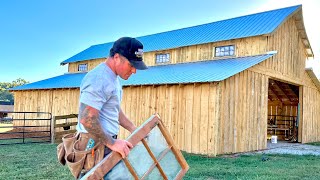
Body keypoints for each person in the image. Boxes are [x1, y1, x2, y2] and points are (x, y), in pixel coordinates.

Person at [75, 37, 148, 178]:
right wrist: (113, 143)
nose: (134, 71)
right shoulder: (99, 79)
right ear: (116, 57)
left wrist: (134, 129)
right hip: (94, 145)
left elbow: (114, 110)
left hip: (104, 143)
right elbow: (86, 118)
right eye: (131, 64)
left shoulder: (112, 79)